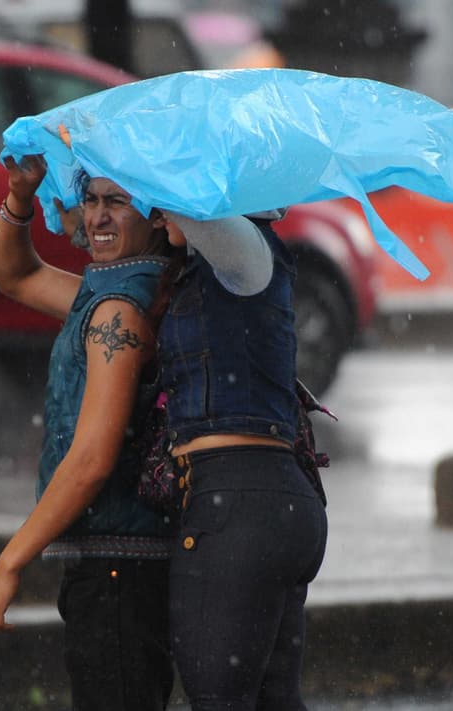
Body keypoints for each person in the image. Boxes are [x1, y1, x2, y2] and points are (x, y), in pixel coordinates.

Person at [0, 153, 183, 711]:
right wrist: (19, 199)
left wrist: (9, 561)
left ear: (157, 216)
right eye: (91, 200)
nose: (98, 218)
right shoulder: (113, 292)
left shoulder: (119, 310)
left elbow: (91, 459)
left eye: (118, 202)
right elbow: (16, 276)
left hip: (121, 574)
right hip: (121, 571)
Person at [157, 209, 329, 710]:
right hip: (263, 506)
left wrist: (135, 155)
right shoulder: (203, 268)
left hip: (238, 508)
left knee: (219, 701)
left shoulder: (249, 254)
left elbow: (192, 206)